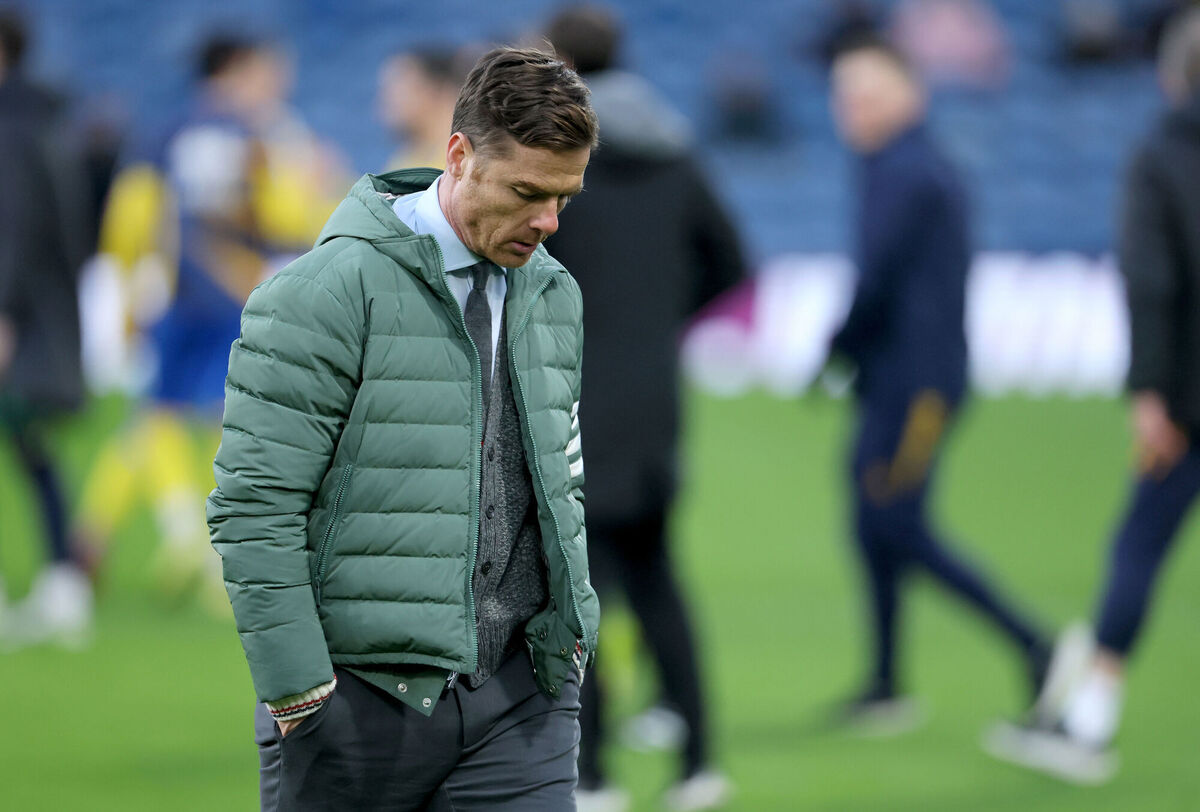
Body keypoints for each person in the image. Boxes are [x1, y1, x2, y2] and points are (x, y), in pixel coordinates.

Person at [207, 47, 600, 811]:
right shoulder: (322, 292)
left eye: (565, 198)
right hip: (354, 705)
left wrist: (571, 639)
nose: (548, 222)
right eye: (527, 192)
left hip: (525, 701)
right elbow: (255, 505)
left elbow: (564, 481)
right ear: (458, 155)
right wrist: (299, 694)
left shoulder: (555, 293)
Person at [985, 7, 1200, 785]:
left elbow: (1153, 280)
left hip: (1189, 396)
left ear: (1171, 74)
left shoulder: (1162, 155)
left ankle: (1091, 721)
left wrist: (1150, 392)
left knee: (1140, 547)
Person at [542, 6, 744, 811]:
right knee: (660, 582)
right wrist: (661, 317)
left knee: (574, 591)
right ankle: (699, 765)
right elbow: (733, 261)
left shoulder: (557, 158)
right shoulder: (675, 150)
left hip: (574, 401)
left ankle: (592, 777)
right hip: (656, 404)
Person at [826, 35, 1052, 731]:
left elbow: (879, 278)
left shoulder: (906, 171)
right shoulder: (897, 165)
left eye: (866, 94)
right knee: (872, 523)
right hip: (896, 379)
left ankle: (1039, 648)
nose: (851, 110)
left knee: (896, 523)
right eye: (844, 96)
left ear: (909, 97)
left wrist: (835, 348)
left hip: (917, 386)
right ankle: (887, 681)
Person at [78, 34, 343, 612]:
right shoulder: (260, 136)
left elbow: (130, 216)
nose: (277, 83)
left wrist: (126, 296)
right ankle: (217, 550)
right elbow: (288, 222)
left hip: (177, 302)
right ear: (238, 68)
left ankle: (120, 534)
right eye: (269, 70)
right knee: (232, 428)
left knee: (160, 417)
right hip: (235, 299)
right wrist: (320, 183)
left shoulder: (167, 132)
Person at [0, 8, 94, 647]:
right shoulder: (52, 121)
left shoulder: (14, 129)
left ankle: (61, 583)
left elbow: (13, 230)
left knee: (29, 444)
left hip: (19, 320)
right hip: (45, 315)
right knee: (33, 448)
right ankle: (64, 582)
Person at [378, 44, 469, 171]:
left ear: (434, 88)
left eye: (399, 91)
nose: (388, 101)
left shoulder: (471, 152)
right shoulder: (404, 161)